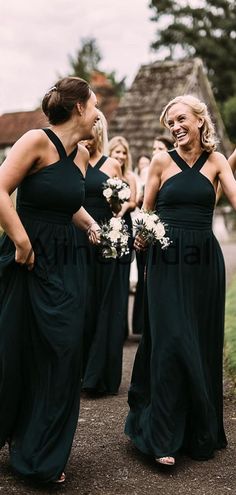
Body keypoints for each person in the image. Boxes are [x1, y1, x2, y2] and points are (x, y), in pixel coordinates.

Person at [125, 94, 236, 466]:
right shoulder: (160, 161)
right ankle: (162, 437)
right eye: (170, 122)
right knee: (172, 340)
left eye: (180, 119)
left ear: (200, 120)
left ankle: (197, 430)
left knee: (200, 341)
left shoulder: (217, 161)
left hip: (205, 262)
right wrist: (141, 233)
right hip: (167, 260)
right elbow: (145, 212)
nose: (174, 127)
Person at [0, 76, 101, 483]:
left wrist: (91, 224)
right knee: (16, 352)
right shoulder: (34, 141)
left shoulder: (78, 152)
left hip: (67, 263)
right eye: (95, 105)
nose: (98, 113)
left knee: (62, 353)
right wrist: (21, 241)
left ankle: (41, 451)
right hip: (29, 261)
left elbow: (67, 203)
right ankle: (19, 436)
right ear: (79, 107)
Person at [78, 111, 127, 396]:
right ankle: (79, 370)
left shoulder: (112, 166)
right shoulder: (73, 161)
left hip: (106, 237)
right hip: (77, 235)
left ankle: (99, 375)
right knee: (81, 300)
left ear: (100, 132)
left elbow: (118, 210)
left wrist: (114, 198)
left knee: (104, 302)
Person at [108, 136, 136, 337]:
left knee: (122, 275)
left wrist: (123, 207)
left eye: (123, 152)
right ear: (110, 153)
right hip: (108, 225)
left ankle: (121, 328)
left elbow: (134, 201)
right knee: (108, 272)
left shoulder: (130, 177)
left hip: (125, 225)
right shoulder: (105, 172)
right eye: (117, 151)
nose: (120, 155)